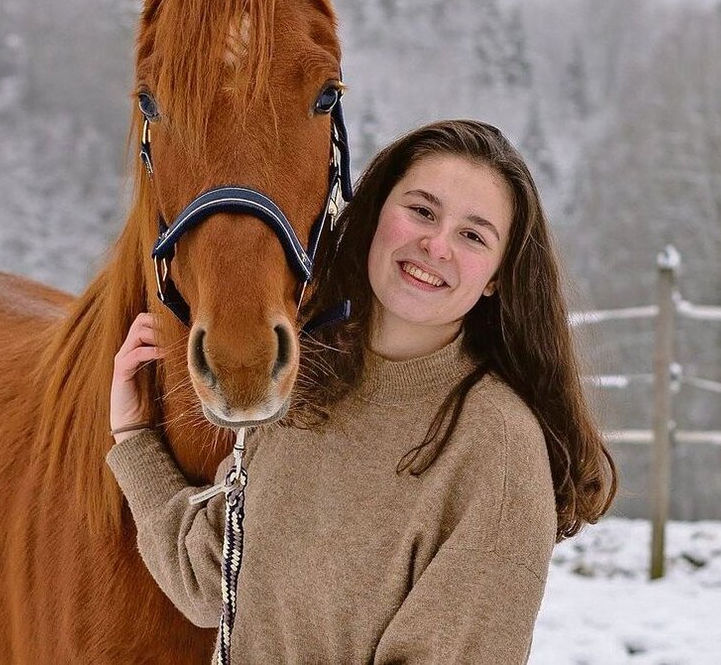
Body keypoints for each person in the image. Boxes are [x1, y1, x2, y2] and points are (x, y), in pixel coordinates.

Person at [106, 119, 618, 663]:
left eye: (473, 235)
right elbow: (211, 585)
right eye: (422, 211)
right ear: (375, 214)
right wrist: (134, 435)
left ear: (495, 275)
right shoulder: (304, 386)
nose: (436, 245)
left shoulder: (497, 447)